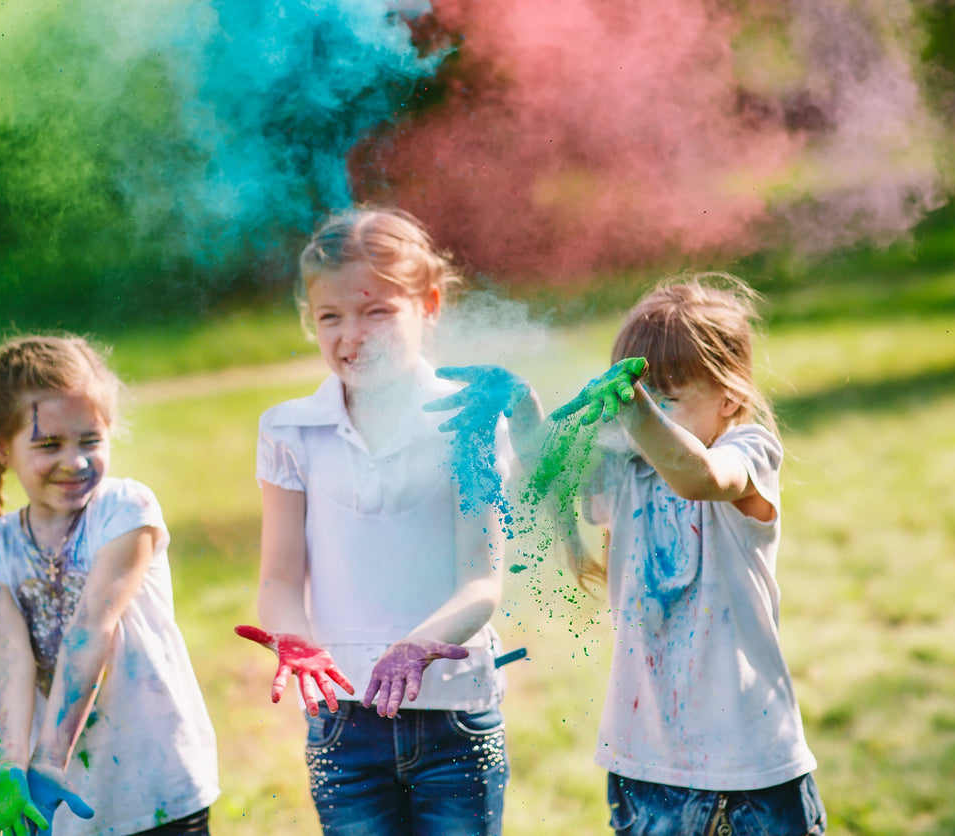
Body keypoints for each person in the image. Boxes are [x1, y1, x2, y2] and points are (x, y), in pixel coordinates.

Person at [452, 273, 827, 835]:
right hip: (647, 764)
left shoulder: (748, 452)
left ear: (730, 397)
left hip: (753, 766)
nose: (641, 411)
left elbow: (699, 477)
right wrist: (524, 406)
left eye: (667, 397)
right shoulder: (624, 468)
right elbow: (544, 473)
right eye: (639, 394)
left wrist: (635, 410)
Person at [236, 207, 513, 835]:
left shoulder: (470, 422)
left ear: (430, 304)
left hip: (455, 717)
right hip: (343, 721)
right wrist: (296, 641)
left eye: (378, 311)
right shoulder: (290, 431)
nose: (351, 335)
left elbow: (481, 583)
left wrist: (416, 645)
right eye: (331, 317)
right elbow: (279, 579)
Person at [0, 335, 220, 836]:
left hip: (156, 781)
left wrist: (48, 763)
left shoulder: (126, 511)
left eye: (90, 440)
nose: (74, 462)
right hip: (60, 800)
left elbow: (91, 628)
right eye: (49, 444)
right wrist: (10, 764)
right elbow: (10, 657)